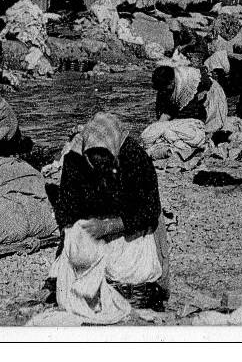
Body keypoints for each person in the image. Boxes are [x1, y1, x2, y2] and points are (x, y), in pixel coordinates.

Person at [51, 112, 170, 309]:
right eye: (94, 163)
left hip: (129, 221)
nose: (100, 170)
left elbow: (150, 209)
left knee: (135, 268)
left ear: (114, 151)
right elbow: (66, 207)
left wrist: (109, 226)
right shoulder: (74, 158)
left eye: (105, 162)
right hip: (94, 219)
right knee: (76, 264)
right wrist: (74, 237)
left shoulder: (133, 156)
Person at [151, 64, 227, 132]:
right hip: (194, 100)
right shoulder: (168, 86)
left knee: (199, 127)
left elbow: (193, 108)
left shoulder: (189, 83)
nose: (162, 91)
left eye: (165, 88)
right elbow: (168, 109)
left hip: (209, 95)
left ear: (172, 81)